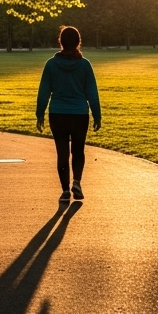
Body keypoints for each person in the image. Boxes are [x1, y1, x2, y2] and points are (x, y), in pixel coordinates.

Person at [36, 26, 101, 203]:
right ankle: (77, 183)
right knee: (78, 150)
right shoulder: (85, 65)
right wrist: (97, 114)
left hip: (57, 113)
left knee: (62, 152)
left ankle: (65, 191)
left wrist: (40, 113)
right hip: (80, 113)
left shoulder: (51, 65)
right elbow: (92, 92)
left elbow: (44, 91)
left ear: (61, 42)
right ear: (78, 42)